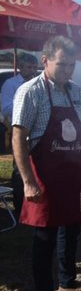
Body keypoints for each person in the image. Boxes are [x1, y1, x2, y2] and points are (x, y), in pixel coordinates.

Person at [12, 36, 81, 291]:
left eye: (72, 65)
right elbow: (19, 137)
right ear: (45, 61)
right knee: (45, 237)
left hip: (72, 173)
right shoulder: (30, 91)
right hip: (44, 175)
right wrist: (27, 181)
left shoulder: (73, 92)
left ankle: (68, 281)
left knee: (72, 228)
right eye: (62, 64)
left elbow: (79, 134)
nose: (68, 71)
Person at [0, 52, 38, 216]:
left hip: (36, 133)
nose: (32, 71)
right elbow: (6, 108)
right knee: (14, 170)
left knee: (34, 168)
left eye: (35, 67)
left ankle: (32, 205)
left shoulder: (40, 83)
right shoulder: (11, 84)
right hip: (16, 133)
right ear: (20, 67)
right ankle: (17, 207)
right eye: (29, 67)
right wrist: (26, 102)